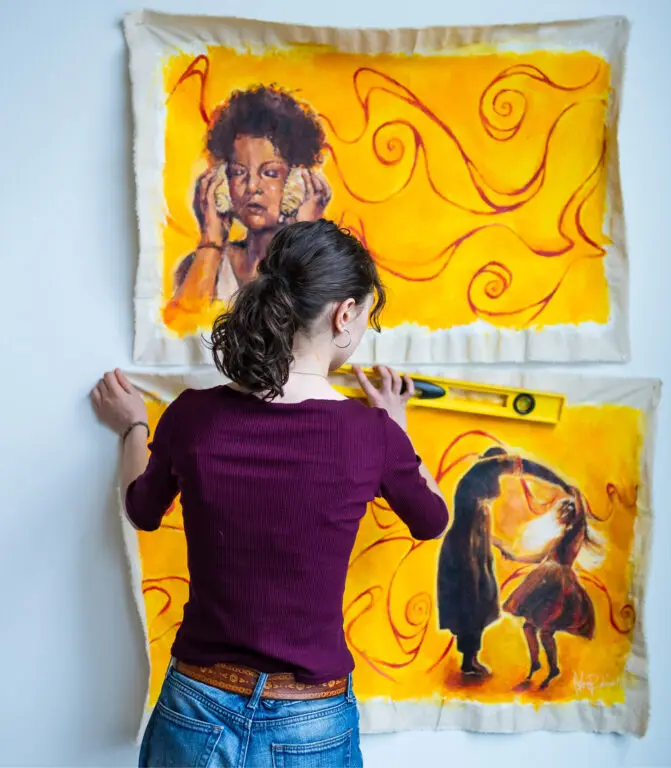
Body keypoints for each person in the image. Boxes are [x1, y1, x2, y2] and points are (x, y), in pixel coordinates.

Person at [91, 219, 448, 767]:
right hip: (312, 720)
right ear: (344, 314)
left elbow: (141, 509)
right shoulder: (371, 436)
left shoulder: (192, 415)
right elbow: (431, 519)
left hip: (196, 705)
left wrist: (134, 426)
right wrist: (395, 427)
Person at [166, 85, 331, 320]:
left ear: (297, 182)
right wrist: (211, 242)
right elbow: (182, 329)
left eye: (270, 173)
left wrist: (304, 238)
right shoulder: (198, 266)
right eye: (238, 172)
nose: (252, 186)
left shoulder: (318, 268)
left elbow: (307, 331)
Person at [437, 449, 571, 680]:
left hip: (475, 548)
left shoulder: (480, 487)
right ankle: (469, 662)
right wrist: (561, 483)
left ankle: (469, 659)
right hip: (464, 552)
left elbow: (479, 525)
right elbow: (529, 466)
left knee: (481, 600)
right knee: (472, 601)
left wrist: (500, 545)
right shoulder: (485, 469)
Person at [497, 489, 597, 691]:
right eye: (563, 512)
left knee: (544, 631)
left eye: (568, 512)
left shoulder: (575, 536)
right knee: (530, 628)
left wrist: (576, 492)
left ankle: (552, 668)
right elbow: (539, 557)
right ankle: (537, 663)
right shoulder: (560, 538)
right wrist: (514, 557)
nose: (563, 515)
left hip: (557, 585)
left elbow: (580, 518)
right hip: (544, 581)